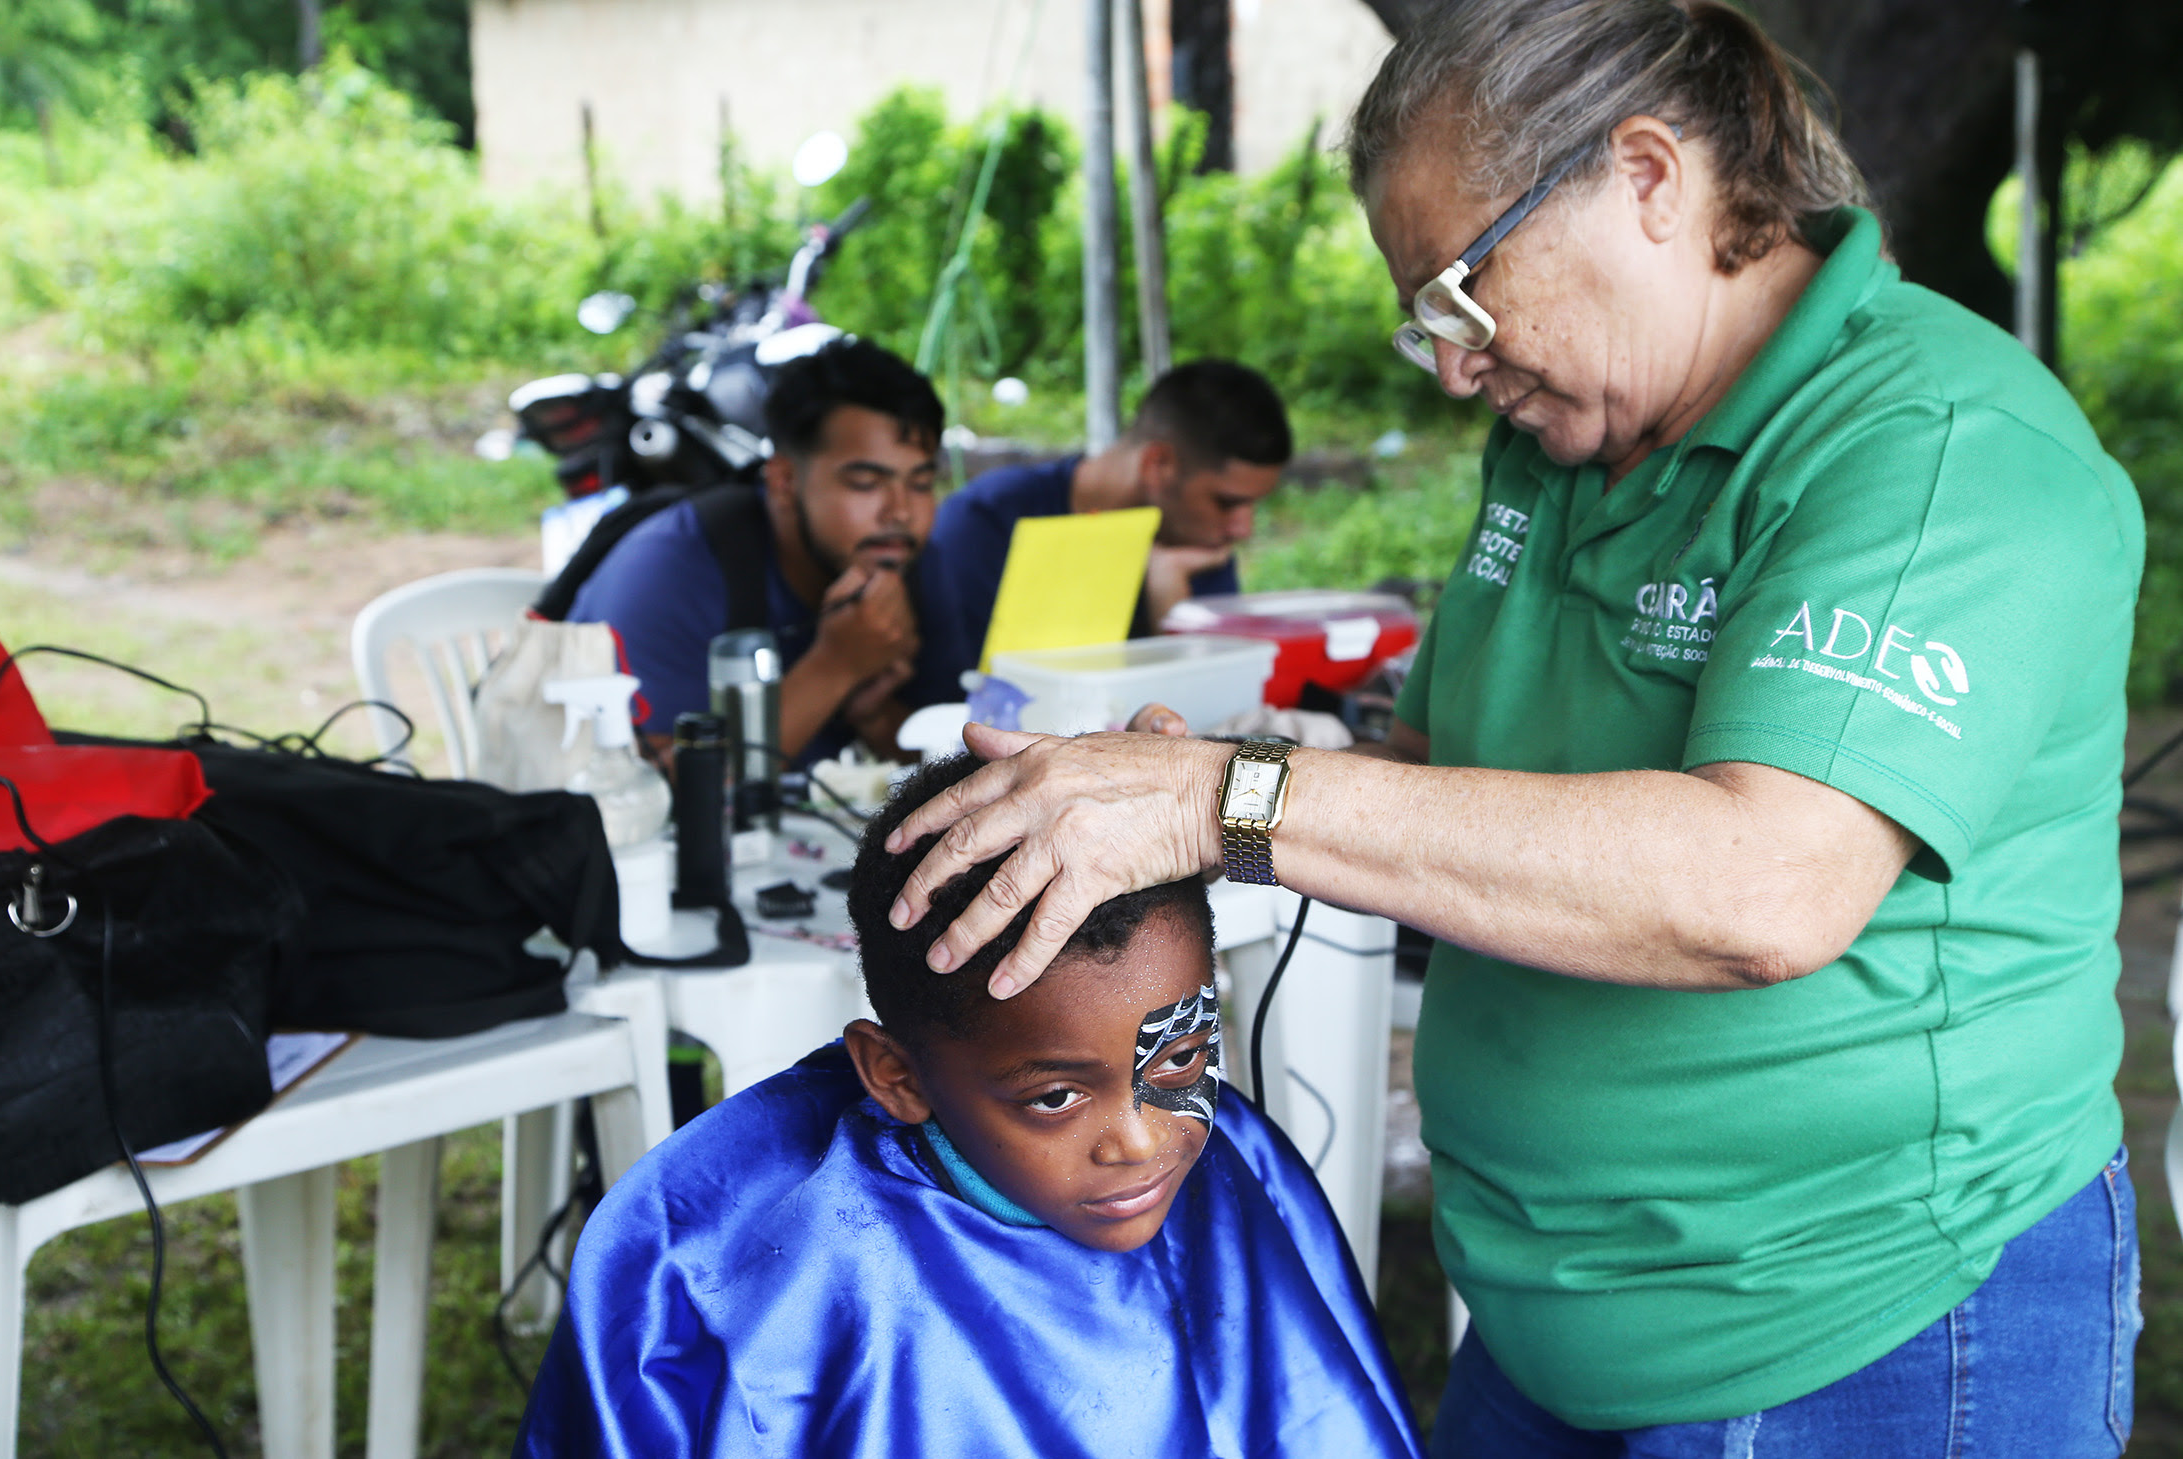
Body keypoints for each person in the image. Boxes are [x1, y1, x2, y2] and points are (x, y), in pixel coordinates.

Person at [878, 2, 2147, 1455]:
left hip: (1858, 1317)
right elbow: (1449, 783)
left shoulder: (1933, 448)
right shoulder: (1563, 433)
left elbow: (1764, 887)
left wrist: (1232, 798)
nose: (1451, 366)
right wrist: (1230, 785)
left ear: (1650, 178)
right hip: (1546, 1313)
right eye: (1424, 320)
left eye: (1464, 298)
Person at [512, 754, 1422, 1459]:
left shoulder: (1239, 1167)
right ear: (895, 1075)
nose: (1144, 1142)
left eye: (1181, 1056)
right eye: (1056, 1096)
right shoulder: (711, 1263)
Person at [566, 338, 946, 767]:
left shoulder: (905, 563)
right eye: (865, 483)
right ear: (783, 481)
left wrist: (874, 716)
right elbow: (650, 794)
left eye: (920, 484)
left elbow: (943, 754)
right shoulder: (669, 571)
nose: (900, 513)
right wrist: (835, 666)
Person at [918, 359, 1292, 690]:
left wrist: (1169, 599)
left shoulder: (1194, 545)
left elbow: (1220, 712)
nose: (1243, 529)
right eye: (1227, 503)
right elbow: (956, 706)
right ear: (1158, 465)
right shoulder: (986, 524)